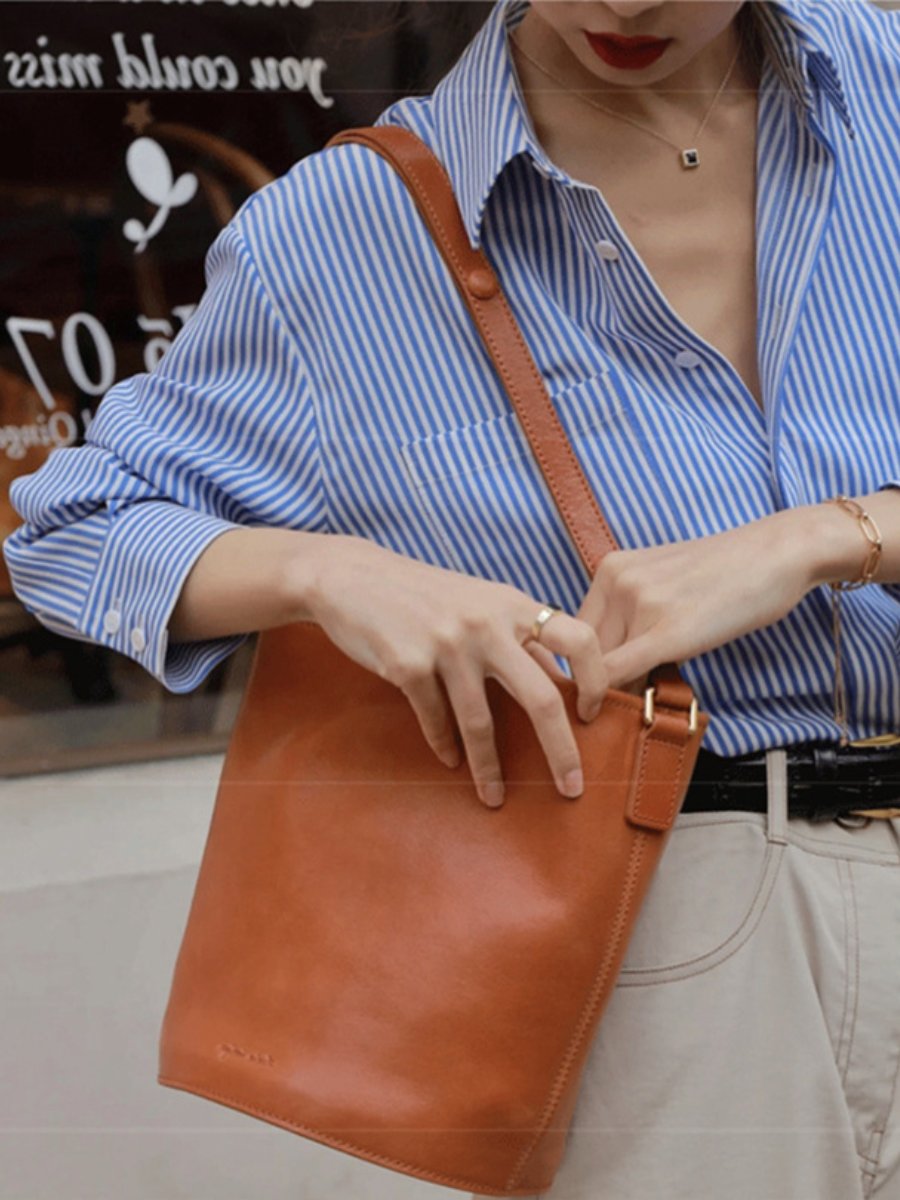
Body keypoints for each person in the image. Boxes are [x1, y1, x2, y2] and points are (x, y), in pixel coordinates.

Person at [4, 0, 900, 1194]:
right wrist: (329, 574)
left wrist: (837, 536)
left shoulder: (884, 94)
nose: (626, 5)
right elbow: (70, 529)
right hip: (688, 928)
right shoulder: (342, 238)